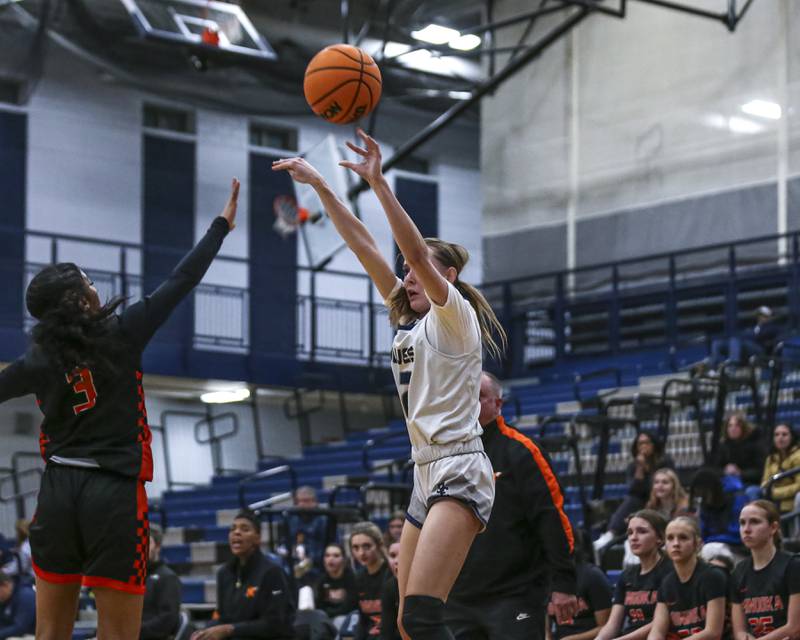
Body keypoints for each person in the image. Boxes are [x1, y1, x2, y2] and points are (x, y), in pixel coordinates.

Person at [274, 129, 505, 640]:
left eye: (418, 269)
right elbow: (364, 244)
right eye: (404, 270)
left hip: (460, 464)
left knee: (423, 615)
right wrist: (320, 185)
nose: (407, 274)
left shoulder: (456, 316)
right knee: (405, 623)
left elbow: (415, 253)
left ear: (446, 276)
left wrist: (379, 183)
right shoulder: (408, 316)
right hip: (424, 469)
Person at [0, 180, 239, 640]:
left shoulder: (36, 360)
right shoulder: (123, 331)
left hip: (57, 492)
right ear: (78, 299)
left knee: (49, 634)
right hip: (112, 492)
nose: (94, 285)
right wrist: (220, 227)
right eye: (87, 281)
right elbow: (181, 280)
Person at [445, 371, 578, 640]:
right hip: (458, 597)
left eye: (479, 396)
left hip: (515, 594)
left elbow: (551, 519)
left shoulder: (522, 451)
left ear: (498, 404)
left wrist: (564, 582)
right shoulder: (446, 454)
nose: (470, 402)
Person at [192, 509, 296, 640]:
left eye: (245, 529)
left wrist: (230, 630)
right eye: (233, 529)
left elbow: (276, 624)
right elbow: (223, 618)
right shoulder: (224, 573)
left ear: (257, 538)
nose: (236, 532)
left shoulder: (272, 572)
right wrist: (205, 631)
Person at [596, 510, 673, 640]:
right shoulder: (626, 575)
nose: (633, 537)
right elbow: (612, 625)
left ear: (660, 538)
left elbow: (662, 623)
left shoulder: (670, 572)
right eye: (630, 532)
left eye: (642, 531)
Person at [647, 517, 727, 640]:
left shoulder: (713, 576)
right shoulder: (667, 583)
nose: (676, 544)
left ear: (698, 543)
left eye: (683, 538)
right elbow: (657, 631)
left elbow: (713, 633)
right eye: (670, 538)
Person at [731, 500, 800, 640]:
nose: (746, 529)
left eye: (755, 522)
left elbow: (794, 627)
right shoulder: (738, 571)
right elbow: (739, 631)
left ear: (773, 528)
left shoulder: (793, 565)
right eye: (742, 523)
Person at [595, 431, 674, 553]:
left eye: (647, 442)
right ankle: (611, 533)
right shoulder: (634, 466)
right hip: (642, 503)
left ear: (654, 445)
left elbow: (667, 484)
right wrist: (640, 468)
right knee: (632, 500)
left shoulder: (665, 461)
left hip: (662, 500)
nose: (643, 446)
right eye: (640, 443)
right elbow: (633, 490)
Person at [548, 533, 612, 640]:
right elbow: (545, 629)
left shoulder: (592, 576)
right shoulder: (545, 578)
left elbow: (606, 627)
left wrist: (571, 639)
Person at [350, 522, 392, 640]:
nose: (361, 553)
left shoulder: (392, 573)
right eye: (356, 547)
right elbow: (363, 621)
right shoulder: (358, 578)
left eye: (366, 546)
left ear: (379, 545)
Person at [140, 524, 182, 640]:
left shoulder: (168, 577)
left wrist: (133, 632)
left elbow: (167, 621)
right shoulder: (134, 577)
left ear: (157, 546)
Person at [707, 306, 781, 368]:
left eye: (764, 316)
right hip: (746, 347)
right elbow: (747, 336)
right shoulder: (752, 327)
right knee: (717, 342)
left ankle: (732, 367)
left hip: (759, 350)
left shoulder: (772, 327)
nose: (760, 318)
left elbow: (759, 337)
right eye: (759, 315)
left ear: (769, 317)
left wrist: (748, 336)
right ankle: (713, 367)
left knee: (735, 340)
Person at [691, 468, 747, 547]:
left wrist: (709, 541)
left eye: (704, 494)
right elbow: (703, 533)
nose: (703, 499)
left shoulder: (737, 499)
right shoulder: (705, 506)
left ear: (713, 490)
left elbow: (738, 534)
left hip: (737, 547)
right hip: (712, 543)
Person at [288, 486, 328, 581]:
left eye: (306, 501)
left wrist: (309, 560)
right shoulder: (291, 518)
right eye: (299, 501)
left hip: (319, 565)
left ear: (315, 501)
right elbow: (286, 542)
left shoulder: (324, 519)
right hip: (296, 563)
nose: (302, 504)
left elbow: (330, 545)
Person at [716, 412, 766, 488]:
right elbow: (714, 468)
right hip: (728, 482)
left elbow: (760, 471)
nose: (733, 429)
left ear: (743, 428)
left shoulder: (754, 445)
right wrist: (725, 471)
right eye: (730, 426)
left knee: (751, 492)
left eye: (737, 426)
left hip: (751, 483)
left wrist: (740, 473)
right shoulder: (723, 446)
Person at [760, 423, 800, 515]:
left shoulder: (798, 456)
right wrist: (766, 489)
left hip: (792, 498)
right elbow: (765, 481)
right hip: (772, 498)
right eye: (776, 434)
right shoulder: (771, 458)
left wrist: (777, 493)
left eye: (784, 434)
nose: (780, 438)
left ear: (792, 437)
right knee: (753, 491)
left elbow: (799, 485)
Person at [313, 543, 357, 624]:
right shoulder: (321, 580)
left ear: (344, 559)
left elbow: (349, 607)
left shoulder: (352, 579)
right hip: (326, 618)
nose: (331, 559)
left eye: (336, 556)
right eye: (327, 555)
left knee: (339, 621)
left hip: (347, 618)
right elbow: (318, 605)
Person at [0, 570, 35, 639]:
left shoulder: (25, 595)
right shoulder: (5, 597)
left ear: (5, 585)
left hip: (33, 634)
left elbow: (20, 628)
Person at [0, 520, 33, 585]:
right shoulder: (31, 543)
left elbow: (21, 567)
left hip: (30, 576)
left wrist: (4, 571)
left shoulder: (25, 548)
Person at [381, 542, 401, 640]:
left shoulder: (429, 585)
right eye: (393, 556)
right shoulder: (389, 586)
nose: (397, 561)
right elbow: (386, 631)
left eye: (403, 554)